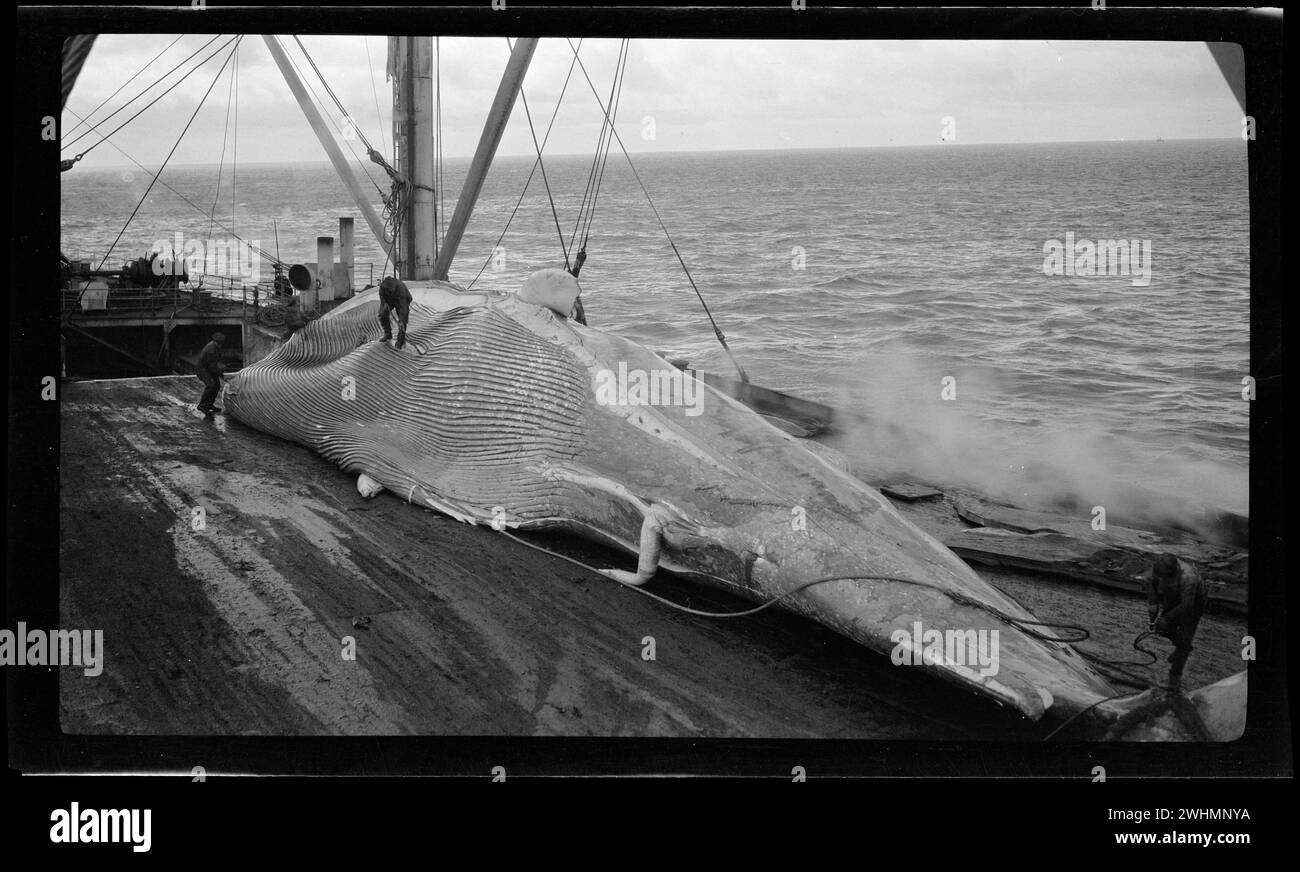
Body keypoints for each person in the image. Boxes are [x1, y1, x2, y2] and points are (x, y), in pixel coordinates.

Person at [1146, 553, 1208, 689]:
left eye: (1164, 579)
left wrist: (1166, 617)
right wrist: (1153, 606)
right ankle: (1181, 645)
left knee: (1185, 638)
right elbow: (1152, 584)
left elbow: (1187, 605)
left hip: (1194, 601)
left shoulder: (1188, 578)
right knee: (1161, 628)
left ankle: (1174, 679)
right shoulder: (1158, 568)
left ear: (1174, 574)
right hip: (1173, 595)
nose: (1161, 581)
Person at [377, 275, 412, 349]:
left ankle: (400, 341)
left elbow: (403, 308)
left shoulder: (400, 290)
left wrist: (402, 320)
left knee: (403, 321)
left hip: (402, 298)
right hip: (390, 299)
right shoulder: (382, 288)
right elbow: (382, 301)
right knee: (382, 315)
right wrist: (384, 307)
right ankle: (388, 334)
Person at [196, 332, 226, 415]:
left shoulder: (216, 346)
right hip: (203, 369)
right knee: (211, 386)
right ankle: (202, 405)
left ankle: (209, 404)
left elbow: (215, 363)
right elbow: (212, 366)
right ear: (215, 341)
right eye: (219, 343)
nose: (221, 344)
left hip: (209, 368)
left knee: (217, 386)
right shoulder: (211, 350)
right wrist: (222, 375)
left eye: (221, 343)